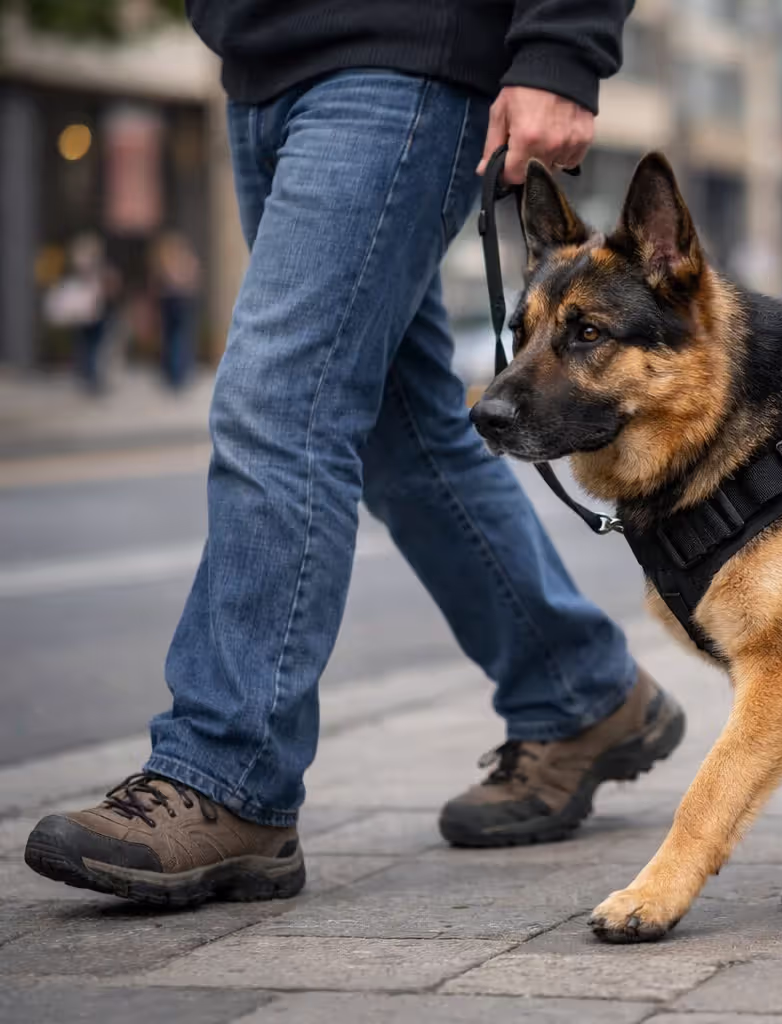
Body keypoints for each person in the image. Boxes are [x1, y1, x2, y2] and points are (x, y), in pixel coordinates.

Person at [24, 0, 685, 907]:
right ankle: (579, 691)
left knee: (280, 401)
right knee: (400, 425)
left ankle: (227, 773)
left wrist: (562, 47)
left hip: (399, 52)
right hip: (261, 64)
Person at [44, 234, 116, 395]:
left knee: (90, 346)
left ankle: (89, 376)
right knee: (91, 346)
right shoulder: (91, 266)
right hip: (89, 312)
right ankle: (89, 377)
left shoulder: (89, 265)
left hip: (93, 312)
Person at [151, 231, 202, 391]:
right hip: (179, 300)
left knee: (173, 337)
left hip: (171, 300)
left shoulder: (165, 258)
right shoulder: (181, 259)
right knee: (179, 337)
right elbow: (194, 277)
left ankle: (175, 374)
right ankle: (178, 374)